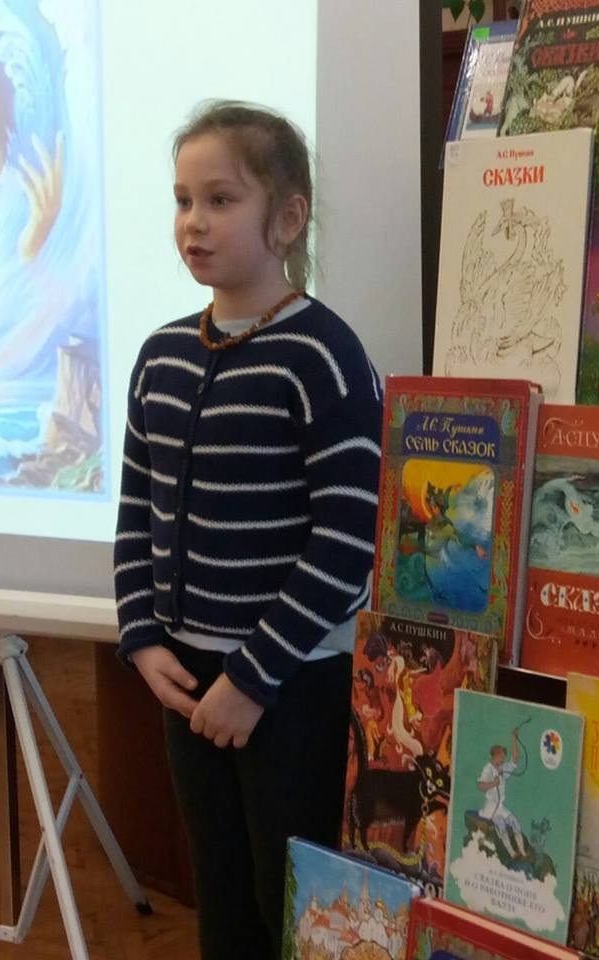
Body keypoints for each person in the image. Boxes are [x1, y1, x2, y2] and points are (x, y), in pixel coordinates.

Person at [113, 100, 383, 960]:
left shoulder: (324, 356)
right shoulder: (159, 356)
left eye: (221, 200)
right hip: (186, 680)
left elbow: (348, 542)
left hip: (291, 684)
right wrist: (141, 636)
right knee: (221, 895)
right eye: (183, 200)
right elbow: (136, 511)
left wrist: (254, 676)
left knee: (290, 903)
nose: (193, 222)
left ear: (288, 218)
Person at [477, 728, 527, 860]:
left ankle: (522, 852)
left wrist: (514, 739)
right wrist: (493, 783)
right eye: (502, 758)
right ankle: (512, 853)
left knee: (515, 823)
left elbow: (515, 759)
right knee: (501, 826)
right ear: (496, 755)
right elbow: (480, 785)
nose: (504, 760)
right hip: (491, 808)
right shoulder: (488, 769)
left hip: (500, 807)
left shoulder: (502, 768)